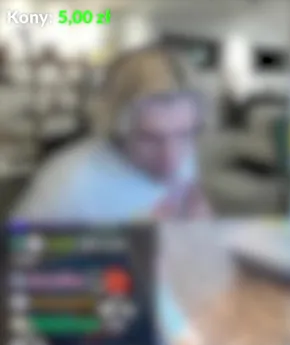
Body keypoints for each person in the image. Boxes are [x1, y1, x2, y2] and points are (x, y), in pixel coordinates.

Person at [11, 46, 212, 222]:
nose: (172, 158)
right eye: (150, 139)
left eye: (185, 135)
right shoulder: (66, 184)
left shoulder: (185, 159)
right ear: (117, 128)